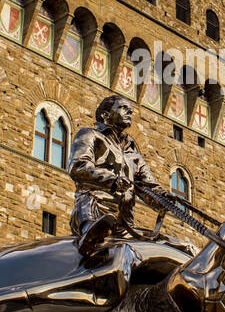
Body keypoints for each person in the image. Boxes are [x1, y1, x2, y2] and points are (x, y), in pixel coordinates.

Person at [68, 95, 182, 259]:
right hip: (94, 210)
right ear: (106, 115)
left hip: (125, 225)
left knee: (177, 248)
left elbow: (148, 188)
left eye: (130, 109)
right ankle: (90, 235)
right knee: (90, 208)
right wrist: (113, 180)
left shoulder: (133, 155)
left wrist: (163, 199)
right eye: (123, 107)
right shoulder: (89, 135)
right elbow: (78, 167)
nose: (129, 111)